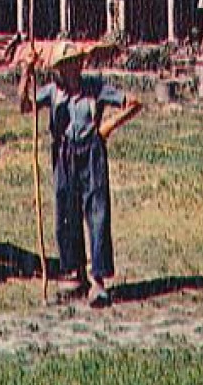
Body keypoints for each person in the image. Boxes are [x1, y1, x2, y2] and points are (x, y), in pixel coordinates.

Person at [23, 41, 143, 308]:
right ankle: (74, 274)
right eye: (65, 65)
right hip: (63, 155)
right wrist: (26, 73)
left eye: (74, 63)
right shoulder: (53, 93)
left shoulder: (95, 88)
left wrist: (107, 127)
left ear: (80, 64)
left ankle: (98, 280)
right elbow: (25, 106)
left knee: (97, 212)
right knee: (66, 212)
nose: (71, 69)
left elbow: (134, 104)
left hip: (91, 153)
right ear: (59, 70)